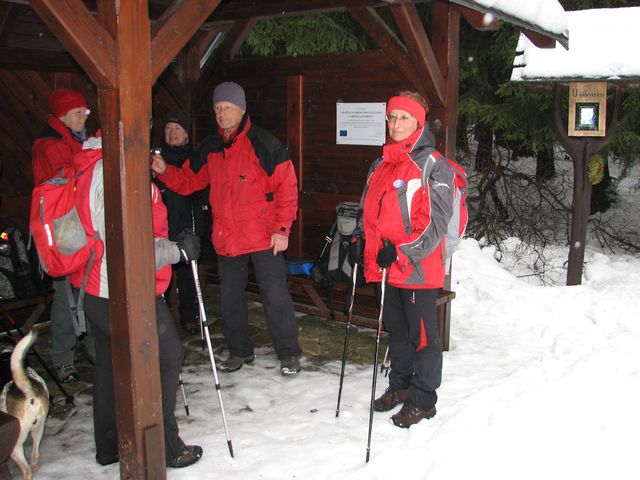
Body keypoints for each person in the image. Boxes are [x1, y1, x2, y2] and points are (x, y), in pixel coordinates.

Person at [68, 136, 203, 468]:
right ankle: (166, 447)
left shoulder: (89, 168)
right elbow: (132, 244)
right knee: (167, 357)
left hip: (94, 288)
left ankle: (109, 446)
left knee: (110, 364)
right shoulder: (117, 177)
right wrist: (180, 251)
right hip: (127, 290)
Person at [151, 81, 302, 376]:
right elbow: (190, 181)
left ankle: (289, 354)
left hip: (264, 236)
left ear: (242, 109)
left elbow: (287, 188)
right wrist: (165, 172)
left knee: (275, 297)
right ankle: (239, 351)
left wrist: (282, 229)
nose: (221, 114)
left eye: (227, 108)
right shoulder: (211, 146)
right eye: (217, 108)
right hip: (228, 236)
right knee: (230, 299)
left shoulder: (265, 144)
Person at [355, 91, 454, 428]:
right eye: (392, 117)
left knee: (423, 337)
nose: (396, 124)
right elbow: (369, 212)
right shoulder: (380, 164)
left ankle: (423, 400)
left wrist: (399, 251)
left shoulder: (434, 166)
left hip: (417, 269)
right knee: (397, 331)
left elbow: (436, 223)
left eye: (404, 117)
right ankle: (400, 385)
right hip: (385, 267)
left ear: (419, 122)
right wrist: (360, 241)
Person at [31, 87, 95, 382]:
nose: (84, 116)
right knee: (66, 293)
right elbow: (70, 175)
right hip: (64, 226)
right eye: (78, 112)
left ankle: (95, 348)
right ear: (62, 117)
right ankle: (63, 358)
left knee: (91, 286)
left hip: (83, 221)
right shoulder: (50, 144)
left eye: (85, 111)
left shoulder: (79, 139)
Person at [152, 110, 206, 336]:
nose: (172, 133)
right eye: (168, 128)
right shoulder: (154, 158)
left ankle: (189, 317)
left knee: (187, 273)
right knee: (159, 271)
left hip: (186, 220)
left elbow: (195, 188)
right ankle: (161, 318)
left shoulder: (195, 157)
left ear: (186, 134)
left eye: (177, 129)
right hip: (161, 224)